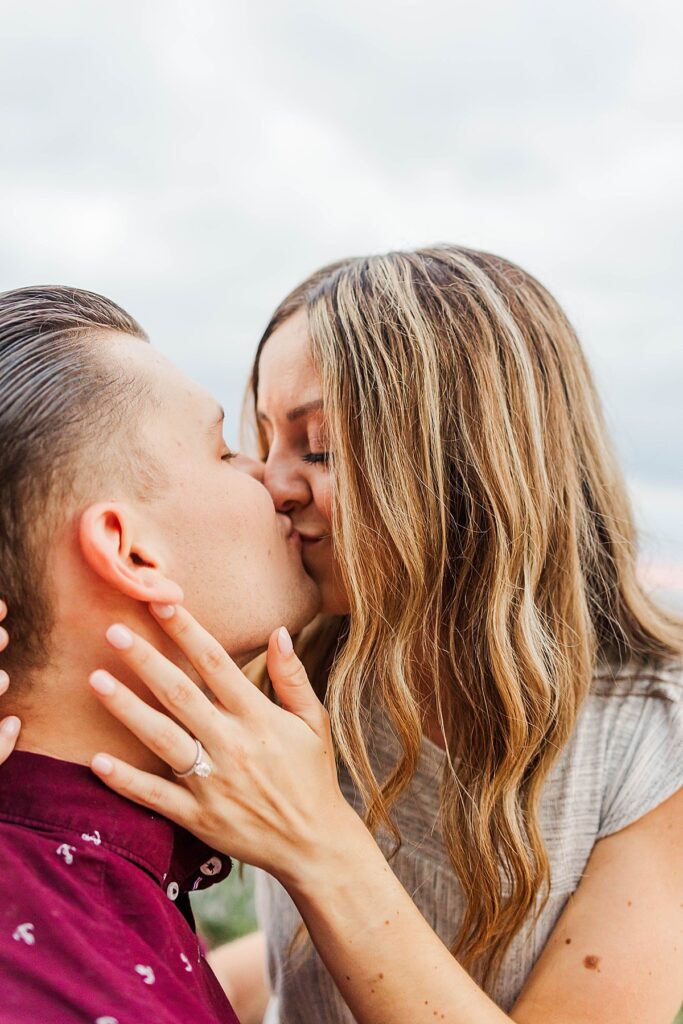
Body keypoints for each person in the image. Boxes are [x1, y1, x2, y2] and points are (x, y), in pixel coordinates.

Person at [3, 247, 683, 1024]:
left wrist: (318, 844)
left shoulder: (648, 736)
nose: (273, 481)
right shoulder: (292, 656)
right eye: (254, 441)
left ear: (466, 463)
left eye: (317, 447)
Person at [0, 285, 319, 1023]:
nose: (271, 481)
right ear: (130, 550)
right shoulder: (63, 984)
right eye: (224, 450)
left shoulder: (78, 901)